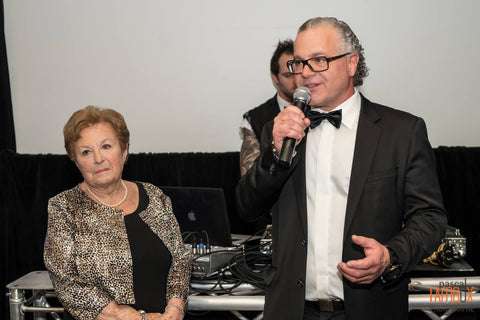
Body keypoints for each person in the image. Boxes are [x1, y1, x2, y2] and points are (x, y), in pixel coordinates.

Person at [235, 17, 447, 320]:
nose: (306, 73)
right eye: (299, 63)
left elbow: (430, 218)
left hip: (369, 308)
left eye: (319, 60)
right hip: (292, 310)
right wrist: (272, 152)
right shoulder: (279, 130)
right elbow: (246, 207)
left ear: (351, 64)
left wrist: (390, 256)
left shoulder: (401, 132)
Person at [44, 106, 193, 320]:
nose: (98, 158)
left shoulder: (154, 196)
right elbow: (65, 280)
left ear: (124, 151)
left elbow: (181, 258)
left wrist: (175, 309)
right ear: (76, 161)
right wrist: (133, 317)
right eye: (86, 152)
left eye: (106, 146)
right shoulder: (64, 207)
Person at [239, 39, 296, 176]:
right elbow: (249, 181)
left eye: (299, 73)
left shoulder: (321, 109)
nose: (296, 80)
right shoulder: (255, 119)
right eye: (288, 75)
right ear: (275, 78)